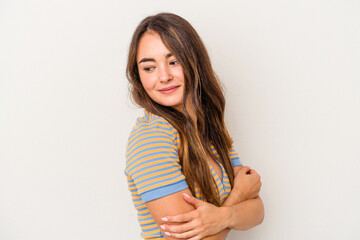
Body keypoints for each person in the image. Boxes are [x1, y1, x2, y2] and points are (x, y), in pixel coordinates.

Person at [125, 12, 264, 240]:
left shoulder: (207, 128)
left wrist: (223, 216)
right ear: (138, 76)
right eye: (149, 68)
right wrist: (238, 196)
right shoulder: (151, 140)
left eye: (174, 62)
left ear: (194, 61)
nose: (164, 76)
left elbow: (258, 212)